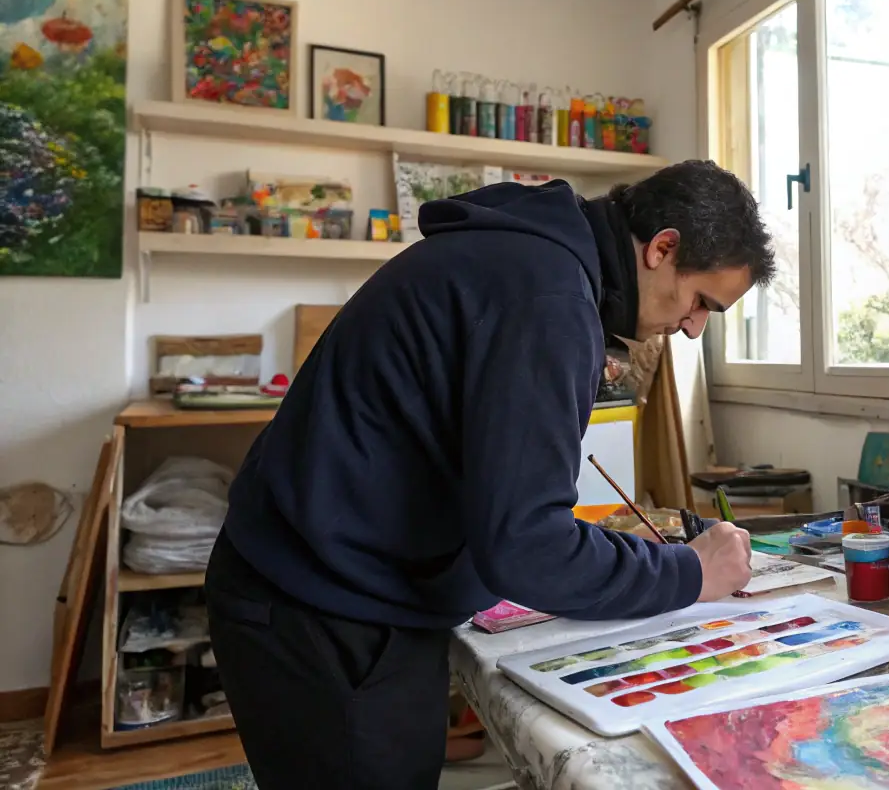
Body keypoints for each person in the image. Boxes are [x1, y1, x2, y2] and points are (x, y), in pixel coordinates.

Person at [205, 160, 773, 789]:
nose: (694, 328)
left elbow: (503, 503)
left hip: (340, 583)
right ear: (663, 248)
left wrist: (614, 555)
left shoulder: (530, 259)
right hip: (318, 606)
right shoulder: (550, 296)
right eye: (701, 303)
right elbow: (528, 547)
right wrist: (689, 572)